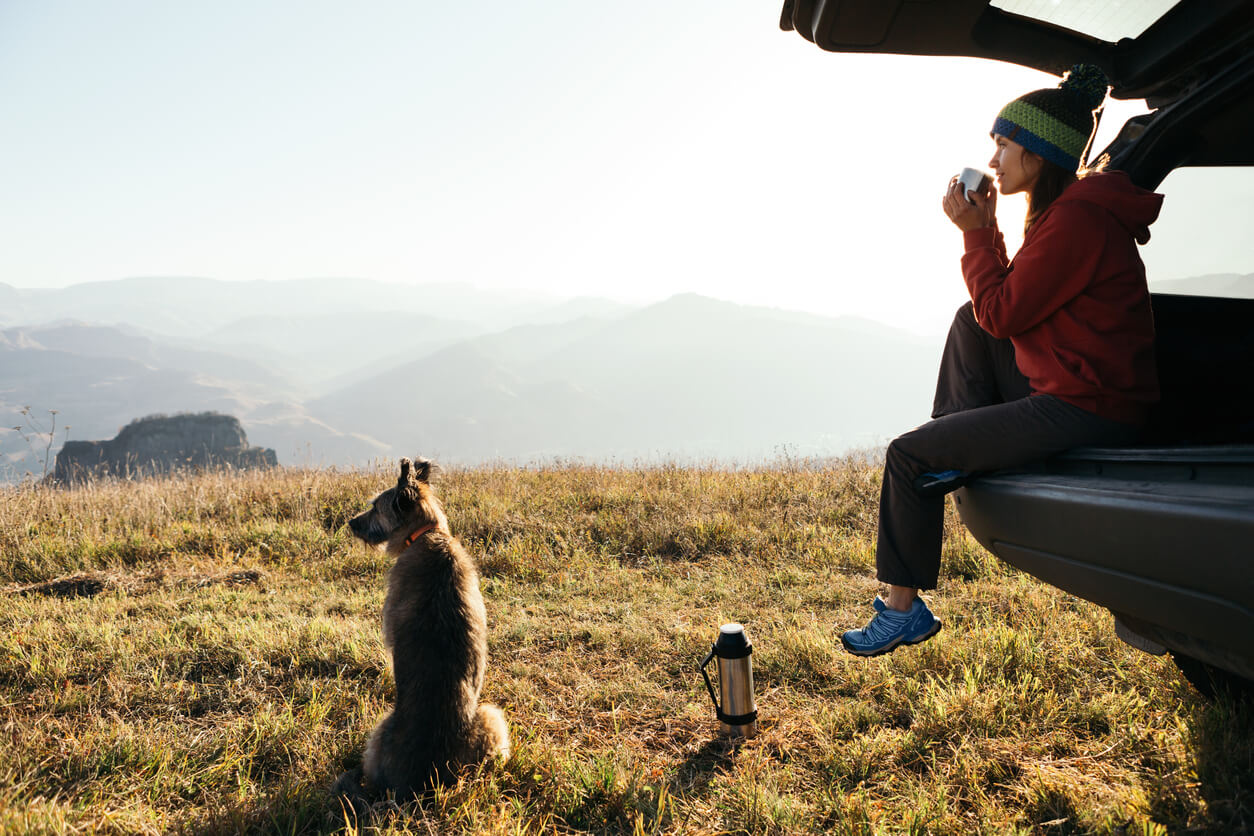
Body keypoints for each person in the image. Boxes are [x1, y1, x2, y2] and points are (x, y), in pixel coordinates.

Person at [840, 64, 1164, 656]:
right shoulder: (1070, 212)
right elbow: (1000, 309)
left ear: (1038, 155)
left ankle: (900, 609)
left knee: (907, 457)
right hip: (1082, 383)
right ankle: (959, 446)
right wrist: (987, 231)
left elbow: (1003, 311)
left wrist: (975, 233)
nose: (994, 160)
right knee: (968, 324)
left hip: (1089, 404)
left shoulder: (1076, 220)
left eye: (1004, 145)